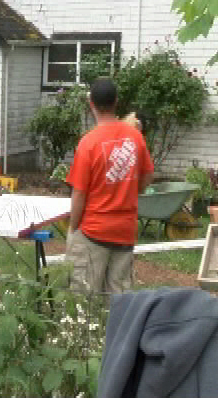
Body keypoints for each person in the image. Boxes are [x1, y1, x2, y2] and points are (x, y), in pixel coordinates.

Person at [66, 78, 154, 294]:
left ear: (91, 104)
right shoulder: (135, 137)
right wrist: (134, 189)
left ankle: (87, 330)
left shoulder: (88, 143)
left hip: (93, 231)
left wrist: (72, 228)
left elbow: (79, 194)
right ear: (116, 101)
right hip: (125, 230)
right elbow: (148, 175)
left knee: (83, 300)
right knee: (119, 301)